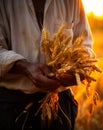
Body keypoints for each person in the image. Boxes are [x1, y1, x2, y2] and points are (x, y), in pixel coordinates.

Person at [0, 0, 93, 130]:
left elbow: (85, 47)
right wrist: (24, 67)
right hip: (13, 105)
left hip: (61, 103)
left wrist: (78, 70)